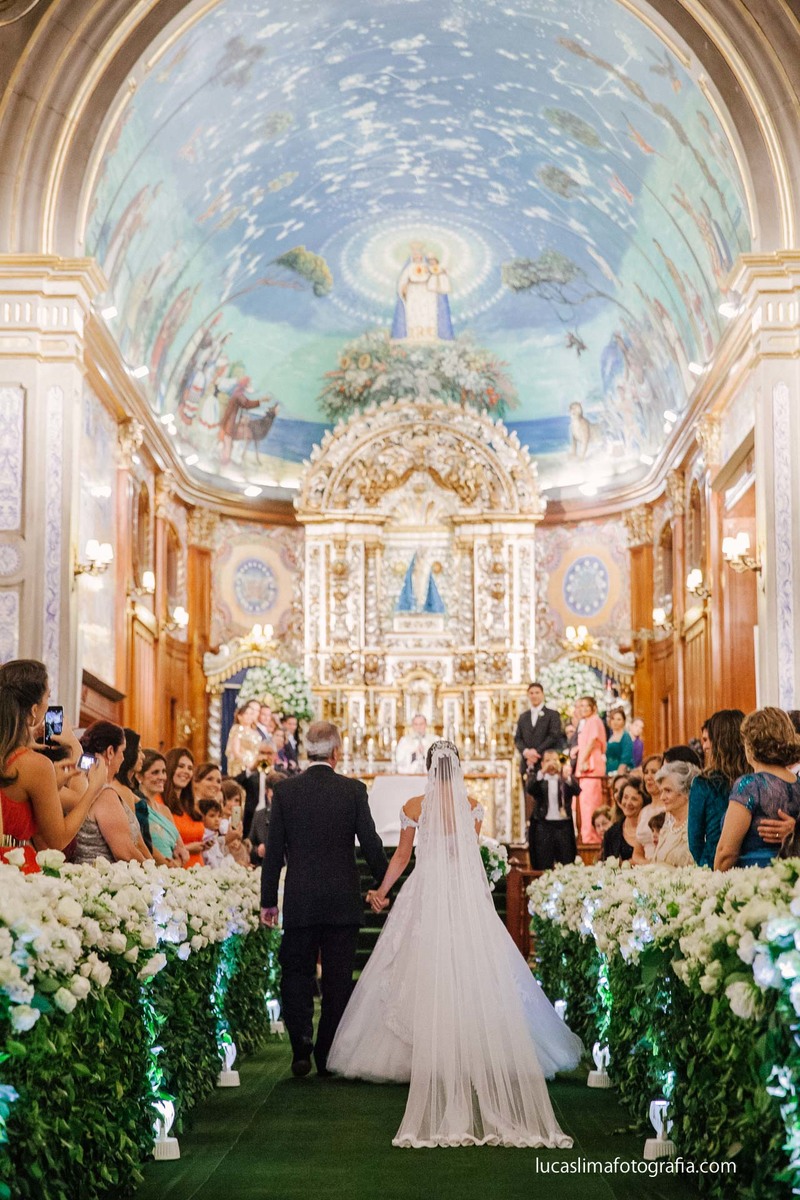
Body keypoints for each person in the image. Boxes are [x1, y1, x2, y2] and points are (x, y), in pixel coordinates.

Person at [327, 739, 581, 1148]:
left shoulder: (414, 805)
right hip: (461, 895)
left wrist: (382, 890)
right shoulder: (472, 803)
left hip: (425, 892)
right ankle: (475, 1045)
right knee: (471, 966)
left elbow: (402, 858)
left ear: (427, 768)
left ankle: (418, 1053)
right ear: (457, 767)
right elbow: (468, 854)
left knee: (417, 966)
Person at [260, 721, 389, 1078]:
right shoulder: (353, 790)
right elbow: (371, 844)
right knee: (337, 979)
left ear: (306, 753)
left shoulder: (286, 792)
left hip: (300, 898)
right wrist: (385, 885)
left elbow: (274, 853)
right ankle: (327, 1052)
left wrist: (268, 900)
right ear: (336, 753)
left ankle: (300, 1046)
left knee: (296, 972)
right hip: (342, 899)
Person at [0, 659, 108, 871]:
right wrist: (94, 788)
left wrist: (54, 784)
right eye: (48, 697)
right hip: (16, 868)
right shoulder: (35, 765)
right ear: (33, 711)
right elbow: (57, 840)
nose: (49, 705)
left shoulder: (10, 757)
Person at [715, 708, 800, 871]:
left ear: (750, 744)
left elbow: (726, 852)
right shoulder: (798, 784)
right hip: (791, 875)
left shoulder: (750, 785)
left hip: (753, 877)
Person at [73, 723, 146, 865]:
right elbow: (124, 852)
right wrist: (158, 878)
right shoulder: (104, 794)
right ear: (110, 751)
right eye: (122, 751)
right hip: (104, 879)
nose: (123, 758)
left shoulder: (78, 783)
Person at [687, 709, 747, 867]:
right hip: (752, 864)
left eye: (709, 738)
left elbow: (695, 840)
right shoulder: (756, 778)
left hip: (715, 863)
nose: (705, 746)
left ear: (720, 742)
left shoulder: (704, 783)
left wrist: (706, 866)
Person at [526, 750, 579, 870]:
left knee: (567, 862)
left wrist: (566, 776)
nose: (551, 764)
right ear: (542, 763)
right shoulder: (539, 780)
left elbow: (577, 790)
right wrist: (543, 772)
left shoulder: (564, 780)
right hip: (544, 825)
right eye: (548, 760)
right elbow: (530, 788)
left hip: (563, 825)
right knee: (543, 862)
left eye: (555, 760)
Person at [137, 749, 188, 867]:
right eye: (155, 772)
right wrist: (169, 865)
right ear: (139, 776)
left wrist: (180, 854)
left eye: (163, 772)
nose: (162, 777)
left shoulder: (165, 810)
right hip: (149, 873)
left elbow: (180, 846)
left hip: (174, 871)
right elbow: (141, 844)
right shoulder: (136, 806)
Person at [651, 761, 700, 867]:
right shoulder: (668, 827)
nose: (662, 797)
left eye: (668, 791)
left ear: (686, 792)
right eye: (662, 791)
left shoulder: (696, 827)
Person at [513, 683, 564, 783]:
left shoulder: (552, 714)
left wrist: (536, 753)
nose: (534, 695)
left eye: (537, 692)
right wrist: (526, 752)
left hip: (546, 763)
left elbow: (554, 735)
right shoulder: (523, 716)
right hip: (527, 763)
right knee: (527, 795)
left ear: (542, 694)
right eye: (531, 693)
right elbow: (518, 738)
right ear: (528, 695)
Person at [163, 747, 204, 867]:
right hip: (176, 872)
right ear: (169, 768)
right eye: (181, 766)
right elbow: (158, 847)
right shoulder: (159, 803)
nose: (186, 771)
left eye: (190, 768)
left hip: (199, 872)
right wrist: (188, 848)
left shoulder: (190, 805)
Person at [575, 695, 606, 844]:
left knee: (590, 804)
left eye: (587, 705)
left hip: (590, 766)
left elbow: (593, 741)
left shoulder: (594, 720)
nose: (584, 708)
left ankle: (591, 839)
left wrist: (582, 759)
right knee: (584, 804)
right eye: (581, 706)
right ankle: (587, 836)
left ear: (593, 707)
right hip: (586, 764)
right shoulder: (587, 722)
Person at [118, 728, 152, 853]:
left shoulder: (133, 790)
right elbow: (134, 840)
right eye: (138, 750)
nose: (143, 756)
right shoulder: (118, 789)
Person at [601, 778, 647, 863]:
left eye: (634, 799)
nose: (628, 803)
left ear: (644, 802)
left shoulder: (651, 830)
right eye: (625, 797)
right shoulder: (611, 834)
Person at [635, 754, 664, 860]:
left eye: (654, 772)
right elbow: (637, 853)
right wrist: (647, 866)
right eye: (646, 772)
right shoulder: (643, 812)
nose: (648, 777)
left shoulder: (670, 809)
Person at [225, 701, 262, 776]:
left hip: (255, 766)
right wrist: (248, 763)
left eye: (251, 714)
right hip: (241, 766)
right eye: (246, 714)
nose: (249, 716)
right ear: (239, 716)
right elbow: (235, 751)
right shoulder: (237, 729)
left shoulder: (256, 732)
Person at [605, 708, 634, 775]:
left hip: (621, 772)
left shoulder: (625, 736)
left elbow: (626, 757)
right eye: (613, 719)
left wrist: (619, 774)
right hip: (609, 771)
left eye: (619, 719)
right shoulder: (610, 738)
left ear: (623, 721)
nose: (615, 722)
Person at [199, 798, 226, 868]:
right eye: (212, 816)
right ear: (202, 817)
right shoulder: (204, 837)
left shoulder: (213, 835)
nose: (217, 819)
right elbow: (210, 860)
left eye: (219, 816)